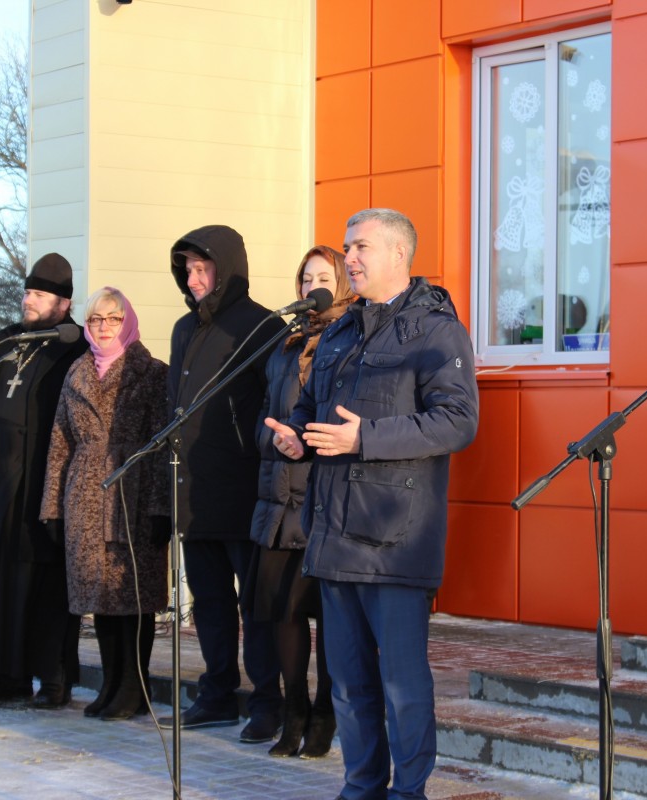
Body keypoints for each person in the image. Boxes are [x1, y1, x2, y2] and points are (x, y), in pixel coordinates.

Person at [266, 208, 480, 800]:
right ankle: (361, 787)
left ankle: (409, 793)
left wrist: (366, 438)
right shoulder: (336, 330)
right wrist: (295, 436)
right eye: (346, 247)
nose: (349, 259)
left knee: (402, 685)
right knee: (348, 685)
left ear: (397, 255)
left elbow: (458, 422)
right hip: (333, 537)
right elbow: (312, 410)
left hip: (394, 539)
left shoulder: (435, 330)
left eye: (359, 248)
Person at [160, 224, 284, 743]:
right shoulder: (184, 330)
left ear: (226, 268)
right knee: (208, 601)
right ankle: (215, 693)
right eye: (187, 269)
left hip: (243, 490)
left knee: (255, 607)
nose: (193, 278)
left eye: (203, 267)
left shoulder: (262, 326)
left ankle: (267, 702)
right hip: (196, 491)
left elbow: (273, 406)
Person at [0, 253, 89, 709]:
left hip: (41, 482)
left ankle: (53, 679)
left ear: (63, 303)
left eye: (40, 295)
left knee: (42, 582)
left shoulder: (74, 345)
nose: (29, 301)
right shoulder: (4, 341)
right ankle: (8, 675)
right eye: (28, 292)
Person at [40, 287, 170, 721]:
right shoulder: (76, 371)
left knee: (131, 597)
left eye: (112, 319)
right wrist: (53, 508)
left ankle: (134, 688)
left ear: (127, 321)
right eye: (96, 320)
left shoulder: (150, 372)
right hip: (85, 495)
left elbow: (162, 443)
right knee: (101, 599)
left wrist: (159, 508)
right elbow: (59, 442)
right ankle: (112, 683)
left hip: (133, 495)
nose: (103, 327)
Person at [246, 245, 354, 758]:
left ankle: (327, 710)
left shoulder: (352, 337)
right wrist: (274, 438)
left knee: (326, 613)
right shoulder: (284, 346)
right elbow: (264, 416)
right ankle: (294, 711)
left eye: (323, 276)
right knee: (281, 610)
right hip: (278, 495)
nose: (313, 286)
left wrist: (305, 439)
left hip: (324, 495)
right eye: (305, 277)